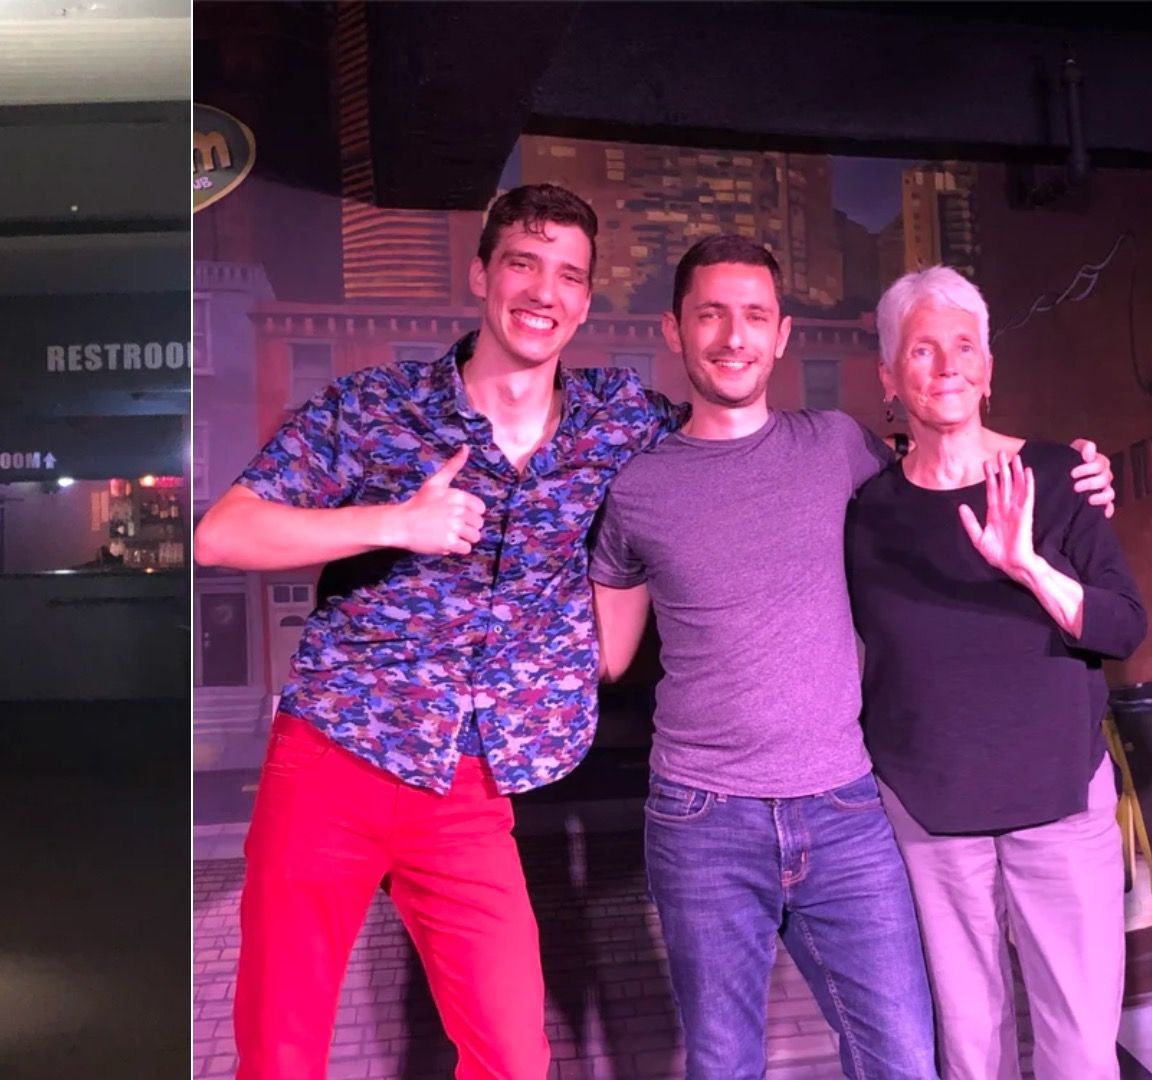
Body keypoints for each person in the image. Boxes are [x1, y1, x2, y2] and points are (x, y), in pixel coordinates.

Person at [588, 236, 1117, 1079]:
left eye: (754, 315)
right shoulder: (639, 488)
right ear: (673, 329)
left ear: (783, 334)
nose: (734, 336)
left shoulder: (839, 448)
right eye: (711, 315)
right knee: (724, 1062)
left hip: (843, 809)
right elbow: (609, 655)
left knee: (906, 1058)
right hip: (702, 816)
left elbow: (951, 449)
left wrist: (1064, 468)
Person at [195, 184, 683, 1079]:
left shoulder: (620, 421)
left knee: (511, 1056)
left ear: (585, 299)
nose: (544, 292)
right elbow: (224, 532)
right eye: (523, 265)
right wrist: (391, 522)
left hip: (468, 790)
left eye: (569, 275)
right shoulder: (377, 407)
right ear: (480, 275)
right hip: (331, 762)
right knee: (281, 1052)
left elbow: (724, 451)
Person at [846, 266, 1147, 1079]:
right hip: (930, 816)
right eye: (922, 348)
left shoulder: (1057, 475)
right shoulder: (867, 512)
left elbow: (1122, 626)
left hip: (1057, 802)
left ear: (988, 367)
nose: (947, 365)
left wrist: (1030, 569)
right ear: (889, 376)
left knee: (1080, 1049)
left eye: (965, 346)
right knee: (969, 1053)